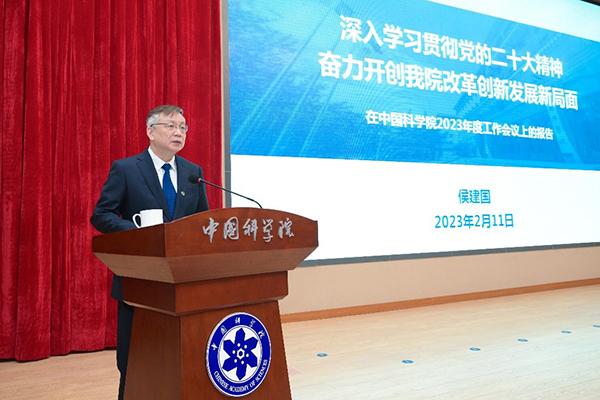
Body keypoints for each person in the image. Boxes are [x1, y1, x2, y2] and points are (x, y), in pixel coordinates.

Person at [90, 105, 209, 399]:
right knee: (136, 360)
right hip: (139, 283)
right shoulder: (127, 169)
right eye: (170, 126)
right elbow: (101, 215)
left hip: (182, 283)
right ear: (150, 132)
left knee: (180, 359)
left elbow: (203, 222)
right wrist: (138, 231)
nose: (178, 132)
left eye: (183, 127)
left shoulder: (193, 173)